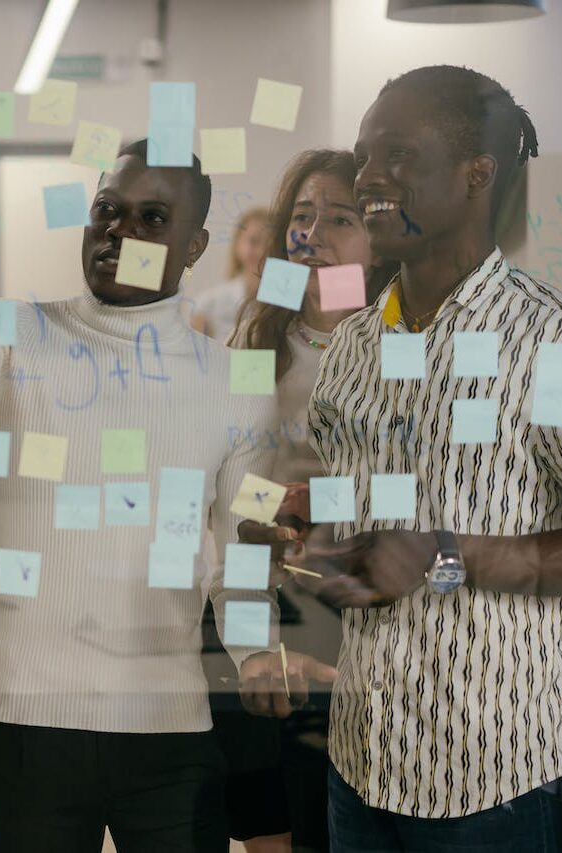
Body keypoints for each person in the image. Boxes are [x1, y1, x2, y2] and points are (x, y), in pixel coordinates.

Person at [0, 90, 333, 852]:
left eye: (151, 218)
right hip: (32, 725)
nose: (118, 230)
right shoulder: (9, 330)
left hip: (169, 735)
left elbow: (237, 561)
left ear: (192, 244)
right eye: (106, 209)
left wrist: (251, 654)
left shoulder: (230, 380)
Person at [277, 66, 562, 851]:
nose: (368, 176)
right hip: (361, 762)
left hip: (494, 779)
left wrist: (447, 554)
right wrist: (302, 539)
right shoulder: (354, 348)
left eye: (397, 155)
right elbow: (346, 534)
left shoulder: (547, 341)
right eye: (366, 155)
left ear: (477, 176)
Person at [209, 149, 397, 853]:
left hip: (379, 637)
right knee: (274, 828)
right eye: (301, 215)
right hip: (279, 631)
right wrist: (274, 507)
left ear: (375, 236)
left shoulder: (402, 345)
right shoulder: (260, 343)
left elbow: (433, 489)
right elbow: (239, 494)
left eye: (339, 219)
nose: (313, 234)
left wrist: (326, 495)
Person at [190, 207, 270, 342]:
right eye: (254, 241)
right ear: (237, 244)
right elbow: (196, 358)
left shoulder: (289, 307)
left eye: (270, 244)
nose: (262, 251)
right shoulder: (207, 304)